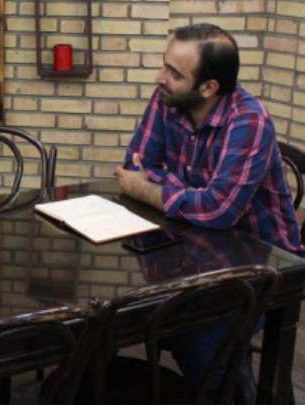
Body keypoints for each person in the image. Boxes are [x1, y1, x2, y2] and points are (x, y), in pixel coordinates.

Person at [115, 23, 304, 401]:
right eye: (164, 65)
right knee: (122, 318)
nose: (160, 78)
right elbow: (137, 167)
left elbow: (219, 211)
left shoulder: (248, 119)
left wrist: (156, 188)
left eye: (174, 72)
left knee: (193, 337)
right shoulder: (168, 99)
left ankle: (237, 392)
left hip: (262, 265)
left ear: (209, 87)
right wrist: (185, 194)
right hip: (194, 250)